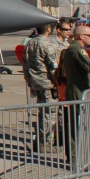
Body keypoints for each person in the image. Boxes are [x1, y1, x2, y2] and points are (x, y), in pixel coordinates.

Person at [59, 24, 90, 165]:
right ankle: (75, 160)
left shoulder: (74, 49)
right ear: (80, 36)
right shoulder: (76, 50)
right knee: (77, 127)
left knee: (81, 126)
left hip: (80, 92)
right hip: (79, 93)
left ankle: (81, 158)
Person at [23, 23, 60, 151]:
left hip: (36, 82)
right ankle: (44, 143)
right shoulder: (46, 44)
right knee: (50, 114)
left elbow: (25, 65)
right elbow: (53, 67)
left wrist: (30, 82)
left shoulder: (29, 43)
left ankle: (40, 141)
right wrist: (57, 83)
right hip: (47, 83)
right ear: (49, 29)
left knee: (42, 113)